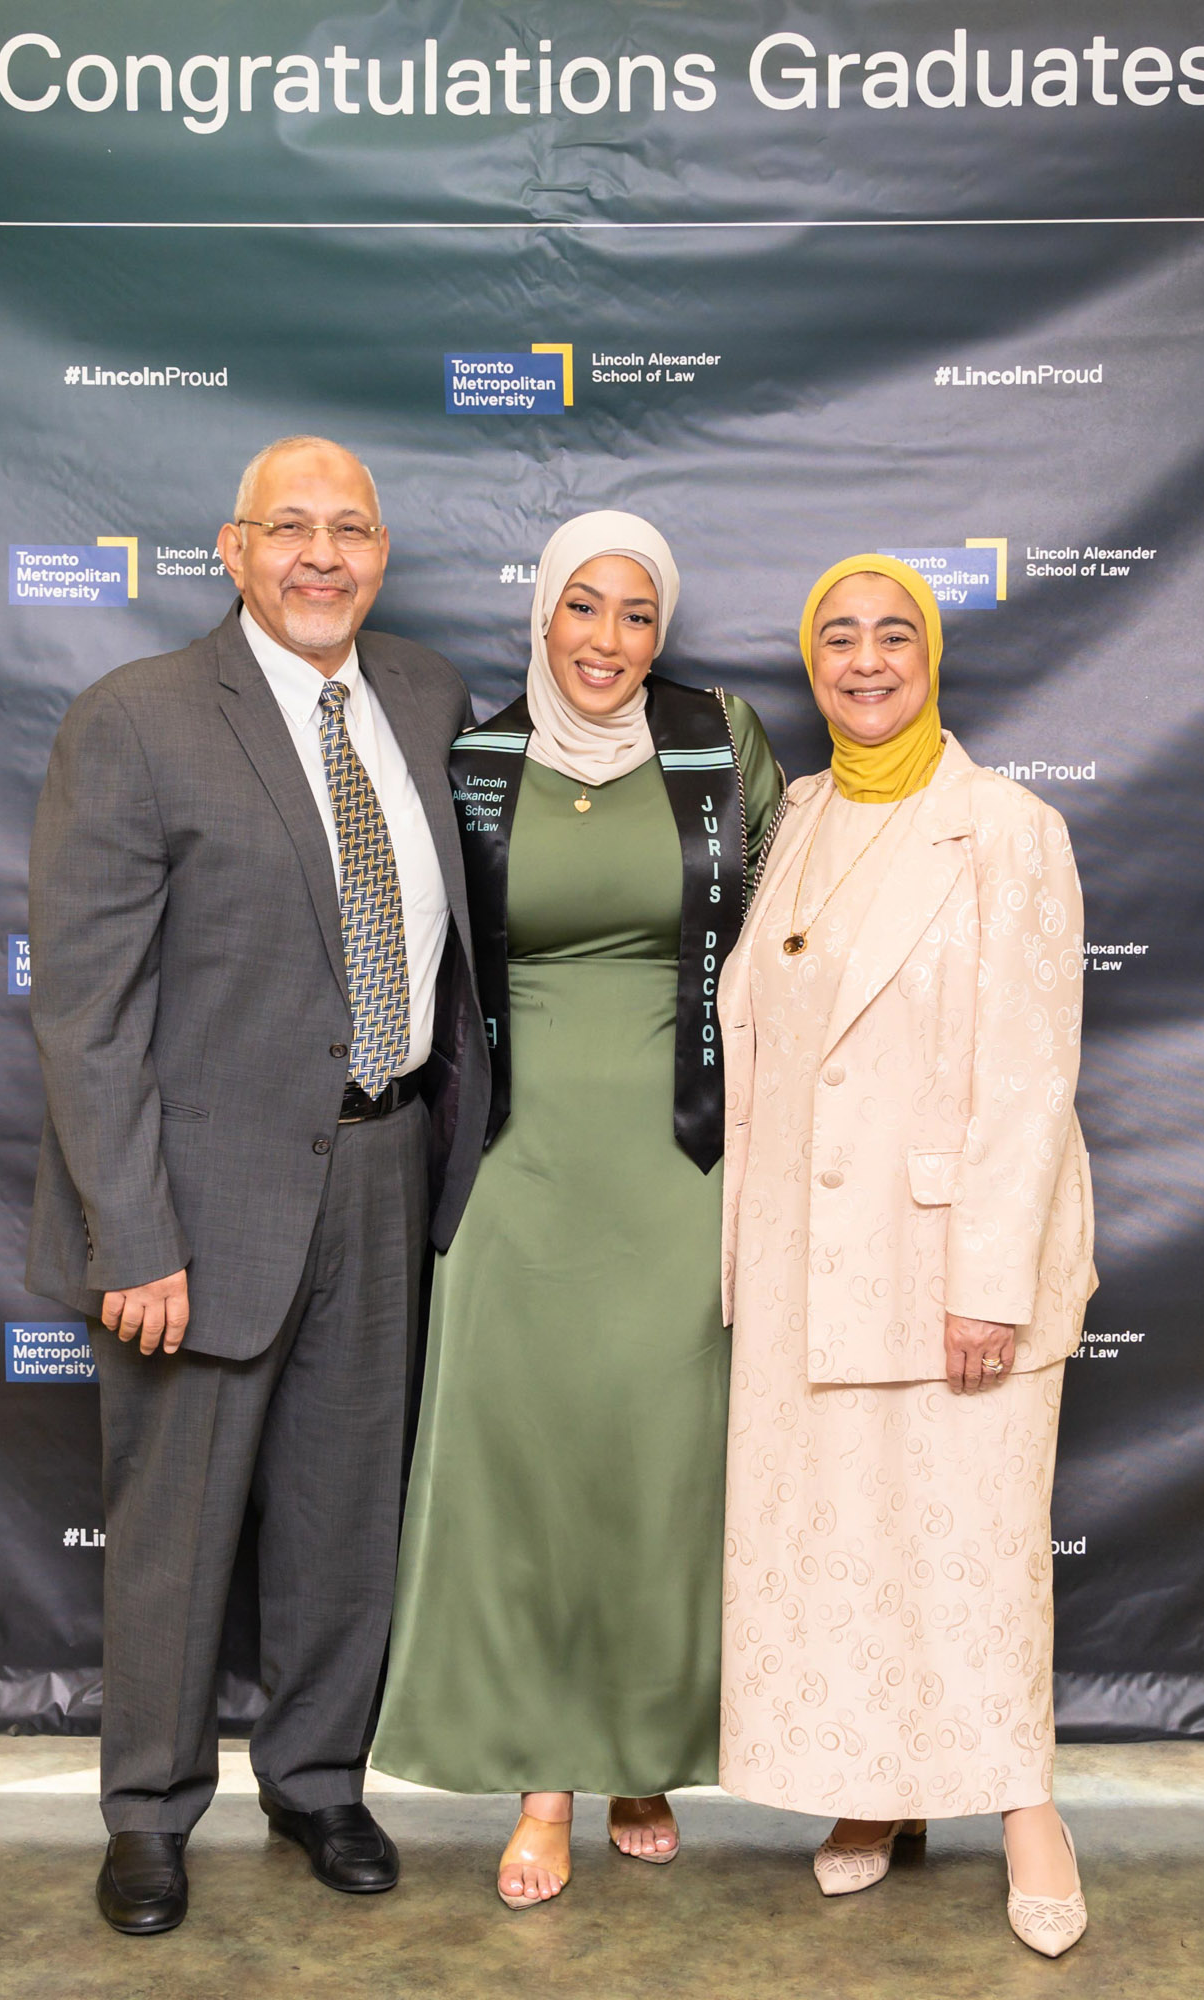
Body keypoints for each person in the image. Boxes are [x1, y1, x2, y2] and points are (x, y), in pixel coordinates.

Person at [27, 436, 488, 1937]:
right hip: (196, 1199)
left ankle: (317, 1779)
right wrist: (132, 1234)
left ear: (381, 553)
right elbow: (87, 1011)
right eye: (288, 528)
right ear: (232, 552)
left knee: (345, 1512)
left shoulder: (422, 697)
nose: (321, 555)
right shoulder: (139, 720)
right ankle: (151, 1814)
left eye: (349, 529)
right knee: (173, 1531)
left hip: (382, 1160)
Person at [371, 511, 785, 1908]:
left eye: (636, 616)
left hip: (682, 1165)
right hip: (518, 1168)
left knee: (660, 1473)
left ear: (661, 633)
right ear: (541, 618)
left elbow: (800, 936)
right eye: (582, 610)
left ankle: (644, 1753)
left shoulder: (720, 748)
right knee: (533, 1478)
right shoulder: (475, 761)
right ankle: (550, 1779)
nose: (607, 641)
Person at [715, 555, 1097, 1960]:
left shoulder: (1006, 828)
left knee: (977, 1551)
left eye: (893, 636)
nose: (867, 661)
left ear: (930, 655)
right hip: (810, 1255)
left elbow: (1030, 1073)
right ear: (811, 667)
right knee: (842, 1552)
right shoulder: (798, 817)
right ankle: (876, 1794)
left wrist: (989, 1281)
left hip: (946, 1262)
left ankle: (1026, 1810)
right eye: (837, 639)